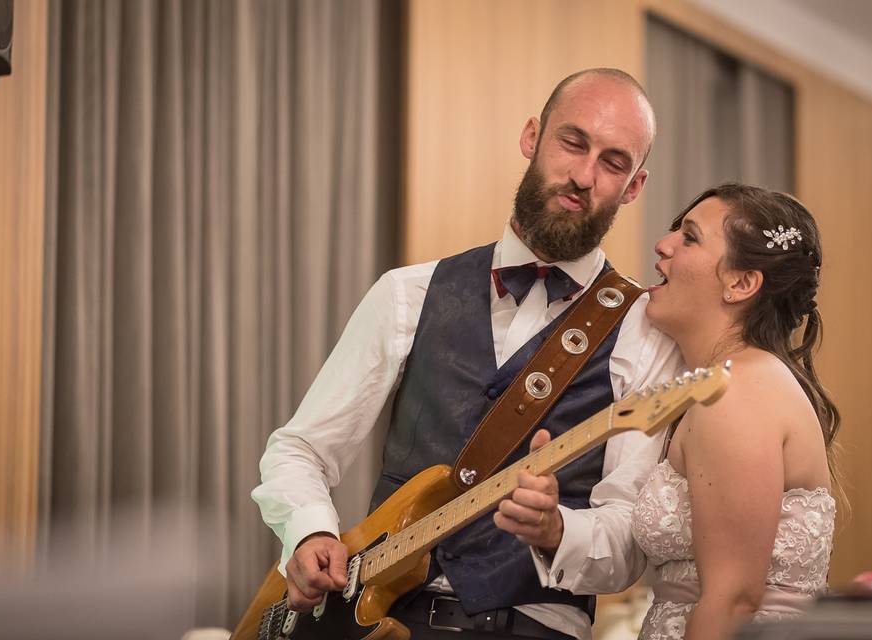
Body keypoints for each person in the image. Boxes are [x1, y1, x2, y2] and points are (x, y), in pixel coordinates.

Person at [251, 68, 683, 640]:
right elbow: (299, 448)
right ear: (532, 136)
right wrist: (308, 532)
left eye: (613, 162)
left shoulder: (645, 330)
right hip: (369, 619)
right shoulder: (407, 292)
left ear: (634, 186)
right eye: (572, 142)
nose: (584, 176)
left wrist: (558, 531)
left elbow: (631, 537)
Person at [500, 183, 840, 640]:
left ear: (740, 283)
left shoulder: (737, 393)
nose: (663, 243)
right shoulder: (716, 383)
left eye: (691, 237)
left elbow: (732, 599)